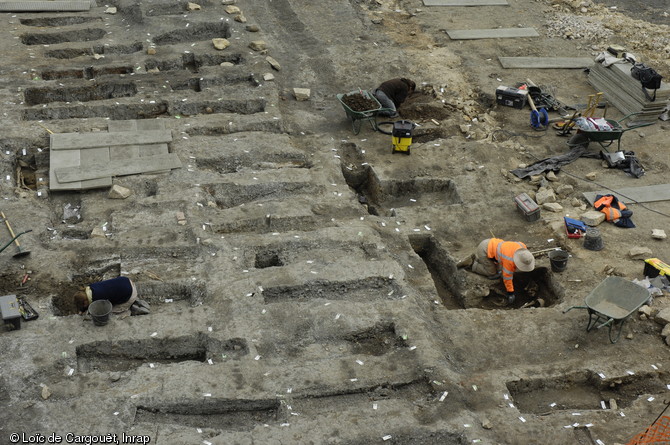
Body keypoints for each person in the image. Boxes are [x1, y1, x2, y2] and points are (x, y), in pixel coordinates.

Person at [459, 238, 535, 304]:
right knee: (492, 273)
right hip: (484, 251)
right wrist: (510, 292)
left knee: (499, 269)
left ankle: (481, 261)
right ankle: (472, 264)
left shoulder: (522, 247)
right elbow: (507, 278)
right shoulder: (509, 261)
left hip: (491, 243)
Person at [73, 276, 150, 316]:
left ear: (85, 302)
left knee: (111, 313)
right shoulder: (90, 288)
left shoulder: (98, 298)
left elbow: (102, 311)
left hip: (130, 293)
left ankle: (130, 309)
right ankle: (131, 300)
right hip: (126, 281)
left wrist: (86, 312)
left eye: (83, 305)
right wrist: (82, 311)